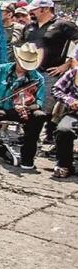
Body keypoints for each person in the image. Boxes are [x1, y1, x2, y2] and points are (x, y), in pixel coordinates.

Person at [23, 0, 78, 142]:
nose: (31, 12)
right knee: (28, 104)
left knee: (46, 107)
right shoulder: (29, 26)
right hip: (30, 72)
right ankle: (29, 135)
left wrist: (66, 65)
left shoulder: (63, 25)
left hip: (50, 72)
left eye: (34, 9)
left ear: (46, 9)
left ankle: (48, 136)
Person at [51, 50, 78, 178]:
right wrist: (69, 100)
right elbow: (56, 89)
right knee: (63, 130)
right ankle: (65, 165)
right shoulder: (74, 73)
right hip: (74, 114)